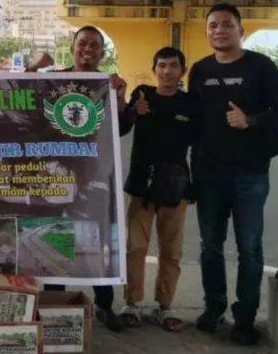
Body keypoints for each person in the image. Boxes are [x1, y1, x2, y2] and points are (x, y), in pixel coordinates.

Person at [188, 3, 278, 346]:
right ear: (207, 32)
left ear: (241, 30)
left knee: (249, 249)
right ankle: (214, 307)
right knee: (210, 247)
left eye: (227, 24)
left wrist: (250, 120)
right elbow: (193, 122)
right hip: (209, 175)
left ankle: (244, 319)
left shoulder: (261, 66)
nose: (219, 30)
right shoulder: (200, 70)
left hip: (250, 175)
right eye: (213, 25)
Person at [28, 26, 127, 333]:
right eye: (82, 43)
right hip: (57, 173)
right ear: (72, 48)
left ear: (102, 53)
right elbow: (24, 101)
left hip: (95, 175)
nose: (88, 50)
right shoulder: (54, 81)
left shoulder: (109, 84)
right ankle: (53, 306)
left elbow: (121, 127)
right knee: (57, 236)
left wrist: (121, 98)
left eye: (94, 45)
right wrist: (32, 69)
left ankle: (105, 305)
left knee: (98, 238)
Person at [117, 47, 197, 332]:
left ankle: (166, 305)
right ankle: (131, 303)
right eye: (161, 66)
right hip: (141, 186)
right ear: (154, 70)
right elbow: (121, 128)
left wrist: (193, 186)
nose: (167, 71)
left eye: (173, 66)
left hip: (175, 187)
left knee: (171, 251)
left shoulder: (190, 103)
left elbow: (200, 145)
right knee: (135, 248)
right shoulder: (143, 95)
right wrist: (132, 113)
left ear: (182, 71)